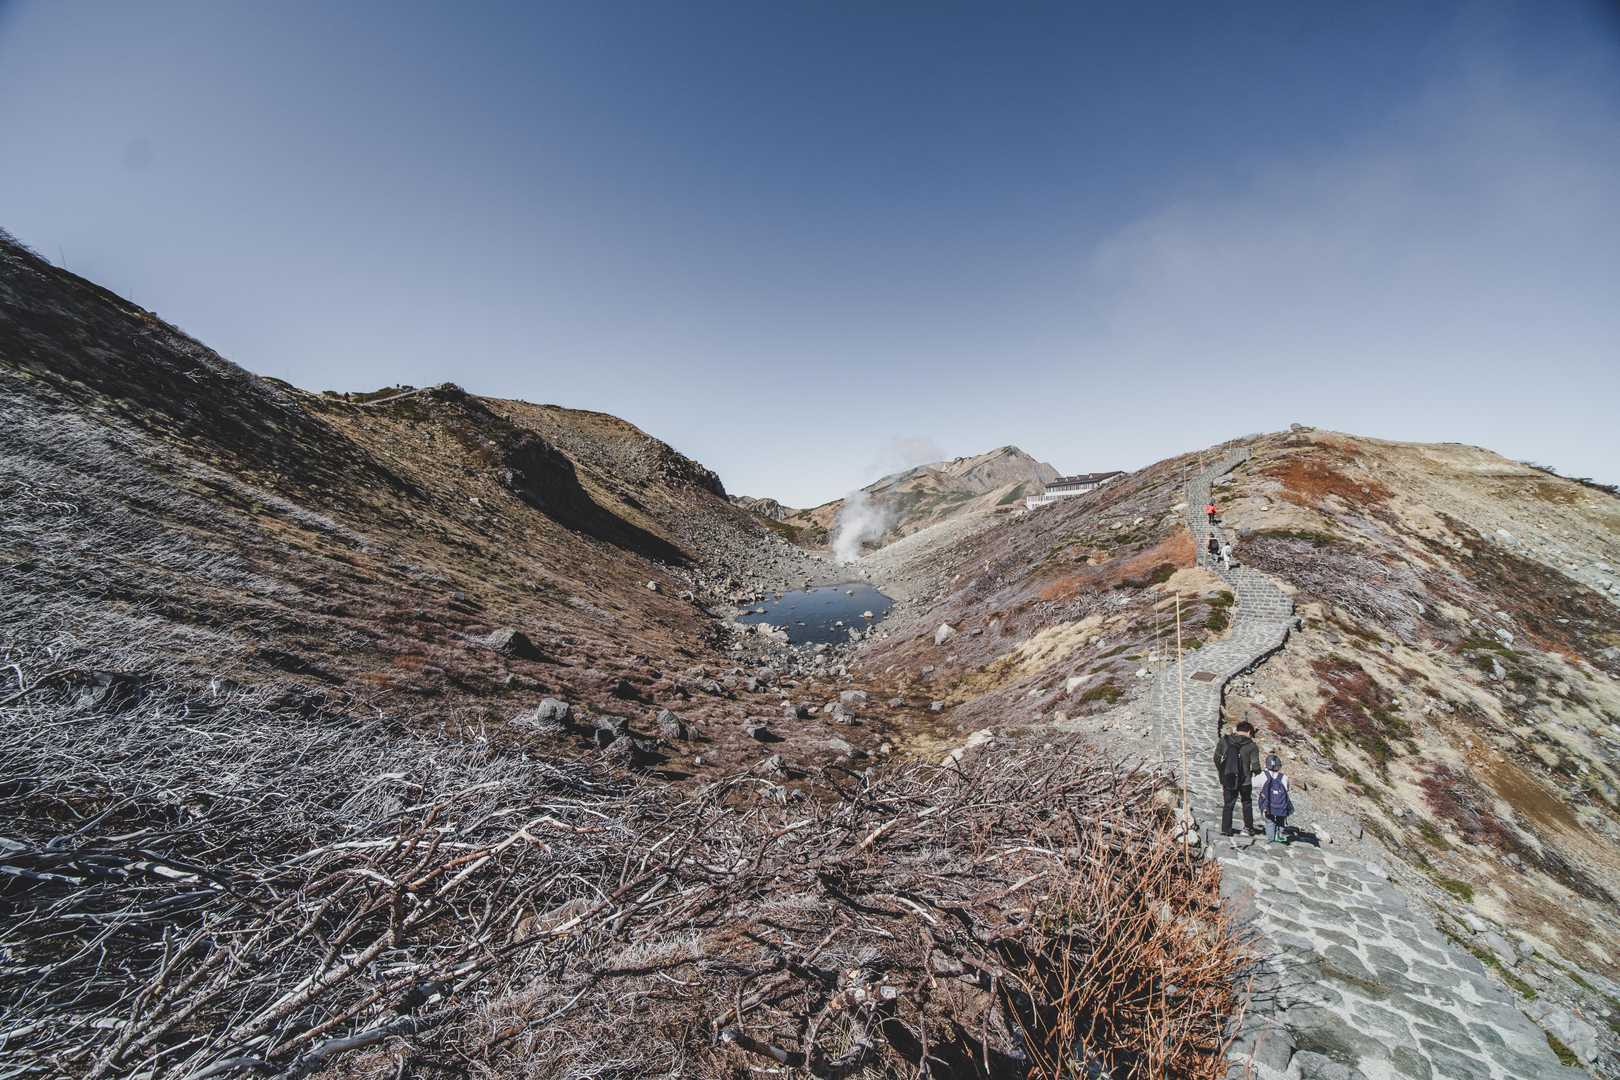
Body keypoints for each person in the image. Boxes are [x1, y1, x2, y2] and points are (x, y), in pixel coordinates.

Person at [1213, 720, 1261, 836]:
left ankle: (1226, 829)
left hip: (1229, 777)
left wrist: (1223, 771)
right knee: (1246, 802)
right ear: (1249, 732)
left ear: (1237, 730)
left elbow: (1216, 758)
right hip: (1245, 780)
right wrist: (1256, 773)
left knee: (1228, 804)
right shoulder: (1252, 746)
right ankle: (1248, 828)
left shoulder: (1224, 740)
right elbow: (1255, 766)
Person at [1256, 753, 1293, 843]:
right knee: (1281, 819)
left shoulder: (1263, 775)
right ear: (1279, 766)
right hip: (1281, 805)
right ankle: (1279, 835)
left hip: (1267, 805)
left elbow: (1254, 784)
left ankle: (1271, 838)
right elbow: (1287, 789)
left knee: (1269, 821)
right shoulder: (1284, 777)